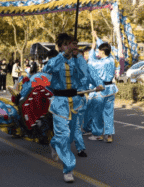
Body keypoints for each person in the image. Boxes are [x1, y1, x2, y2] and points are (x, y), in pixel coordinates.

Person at [42, 33, 104, 183]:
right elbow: (46, 69)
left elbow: (86, 73)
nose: (71, 47)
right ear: (61, 47)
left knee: (70, 137)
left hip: (75, 102)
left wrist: (98, 83)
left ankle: (54, 143)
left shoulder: (78, 61)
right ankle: (68, 168)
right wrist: (64, 54)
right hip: (60, 102)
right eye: (66, 45)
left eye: (73, 45)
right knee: (63, 135)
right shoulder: (56, 60)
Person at [87, 31, 117, 143]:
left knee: (97, 113)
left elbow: (91, 63)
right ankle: (109, 135)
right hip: (111, 89)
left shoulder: (100, 63)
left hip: (101, 90)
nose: (97, 51)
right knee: (109, 113)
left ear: (103, 52)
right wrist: (97, 37)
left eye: (99, 50)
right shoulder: (111, 60)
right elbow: (106, 49)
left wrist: (92, 49)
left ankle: (98, 134)